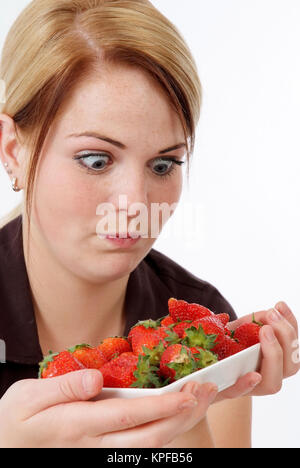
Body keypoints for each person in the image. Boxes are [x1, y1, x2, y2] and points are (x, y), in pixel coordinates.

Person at [0, 0, 298, 448]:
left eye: (163, 164)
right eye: (96, 160)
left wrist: (189, 417)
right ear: (12, 151)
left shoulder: (204, 341)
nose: (136, 204)